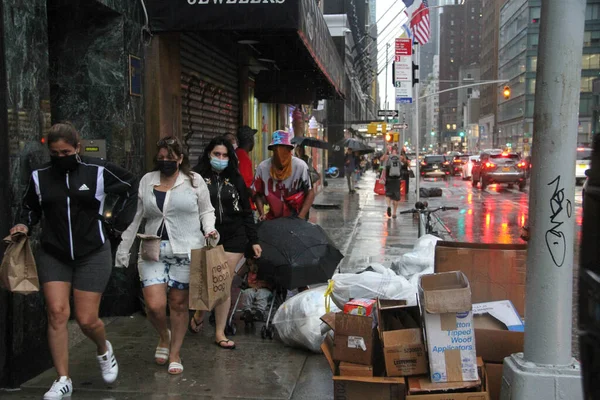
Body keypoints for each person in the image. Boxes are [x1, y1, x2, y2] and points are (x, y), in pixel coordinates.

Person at [10, 122, 138, 399]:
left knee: (87, 320)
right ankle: (63, 379)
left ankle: (104, 349)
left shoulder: (97, 171)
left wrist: (115, 226)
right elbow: (29, 207)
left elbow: (131, 186)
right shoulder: (40, 177)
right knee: (56, 313)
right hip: (53, 253)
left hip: (92, 252)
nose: (60, 158)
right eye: (55, 153)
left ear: (77, 148)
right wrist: (23, 224)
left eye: (66, 152)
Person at [116, 136, 218, 375]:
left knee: (179, 305)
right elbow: (136, 216)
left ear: (180, 159)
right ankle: (164, 335)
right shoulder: (147, 180)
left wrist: (210, 229)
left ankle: (175, 353)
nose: (165, 162)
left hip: (186, 250)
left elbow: (207, 210)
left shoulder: (194, 182)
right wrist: (123, 248)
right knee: (154, 306)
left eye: (170, 158)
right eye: (161, 158)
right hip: (153, 250)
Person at [189, 137, 262, 348]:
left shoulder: (236, 179)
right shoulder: (197, 178)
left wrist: (253, 240)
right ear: (208, 155)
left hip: (235, 236)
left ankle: (220, 332)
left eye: (224, 155)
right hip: (208, 235)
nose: (220, 159)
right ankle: (200, 312)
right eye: (216, 154)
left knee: (223, 281)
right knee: (210, 279)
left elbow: (247, 212)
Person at [252, 130, 314, 220]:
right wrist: (262, 213)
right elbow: (257, 193)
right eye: (276, 148)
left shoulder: (300, 166)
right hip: (273, 218)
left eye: (283, 148)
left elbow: (310, 192)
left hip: (296, 218)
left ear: (289, 149)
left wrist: (301, 216)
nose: (279, 152)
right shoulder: (263, 167)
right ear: (272, 149)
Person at [239, 257, 273, 323]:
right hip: (252, 288)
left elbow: (271, 284)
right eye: (250, 265)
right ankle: (247, 311)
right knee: (247, 292)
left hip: (265, 289)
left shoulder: (268, 271)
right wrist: (252, 285)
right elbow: (248, 282)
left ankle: (259, 312)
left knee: (261, 294)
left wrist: (263, 284)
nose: (251, 267)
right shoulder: (250, 273)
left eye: (252, 265)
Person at [380, 146, 402, 218]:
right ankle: (394, 213)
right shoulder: (399, 157)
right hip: (397, 180)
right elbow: (405, 161)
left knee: (388, 195)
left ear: (391, 150)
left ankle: (389, 206)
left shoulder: (388, 157)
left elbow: (381, 159)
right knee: (396, 197)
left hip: (389, 179)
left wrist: (386, 152)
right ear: (397, 151)